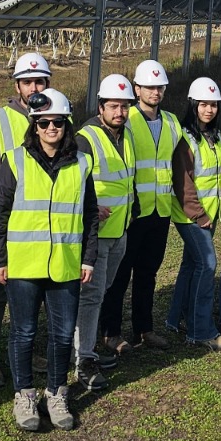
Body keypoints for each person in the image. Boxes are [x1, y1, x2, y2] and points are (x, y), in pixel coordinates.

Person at [0, 89, 99, 432]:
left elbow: (90, 215)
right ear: (34, 126)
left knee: (63, 335)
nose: (51, 128)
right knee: (24, 332)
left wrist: (88, 259)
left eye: (58, 122)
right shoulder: (16, 160)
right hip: (23, 265)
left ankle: (56, 393)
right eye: (44, 122)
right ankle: (24, 395)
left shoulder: (81, 163)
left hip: (65, 264)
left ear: (66, 125)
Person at [0, 51, 53, 389]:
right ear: (17, 86)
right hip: (7, 219)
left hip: (41, 221)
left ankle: (31, 349)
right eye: (28, 82)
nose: (34, 87)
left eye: (40, 81)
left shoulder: (56, 114)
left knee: (36, 290)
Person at [101, 59, 180, 352]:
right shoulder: (126, 119)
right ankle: (110, 332)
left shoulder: (172, 122)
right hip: (132, 212)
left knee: (148, 273)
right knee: (119, 276)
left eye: (159, 87)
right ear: (137, 89)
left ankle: (144, 330)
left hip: (160, 211)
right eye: (149, 87)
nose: (155, 92)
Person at [74, 75, 136, 388]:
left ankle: (86, 346)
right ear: (101, 107)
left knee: (103, 291)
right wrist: (89, 206)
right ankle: (83, 357)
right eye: (114, 106)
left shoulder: (126, 135)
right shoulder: (86, 137)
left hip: (119, 230)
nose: (120, 112)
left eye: (125, 106)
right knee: (91, 296)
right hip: (96, 234)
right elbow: (72, 180)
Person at [169, 77, 221, 350]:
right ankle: (201, 330)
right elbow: (182, 180)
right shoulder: (186, 138)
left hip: (209, 213)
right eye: (204, 104)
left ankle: (176, 319)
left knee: (191, 265)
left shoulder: (215, 137)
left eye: (214, 105)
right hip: (192, 216)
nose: (209, 110)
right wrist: (200, 215)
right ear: (194, 105)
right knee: (207, 265)